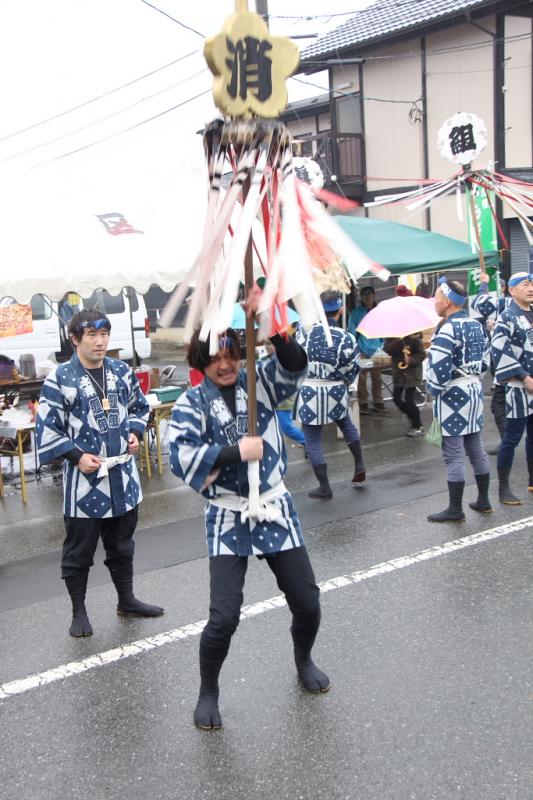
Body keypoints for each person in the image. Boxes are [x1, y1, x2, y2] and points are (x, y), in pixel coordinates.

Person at [169, 293, 329, 731]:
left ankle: (304, 660)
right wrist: (233, 451)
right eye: (216, 358)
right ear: (201, 360)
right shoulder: (190, 404)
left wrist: (272, 320)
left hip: (274, 504)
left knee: (307, 602)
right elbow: (179, 455)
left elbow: (295, 362)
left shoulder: (258, 383)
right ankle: (208, 690)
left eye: (232, 355)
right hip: (227, 513)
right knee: (224, 616)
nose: (226, 365)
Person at [35, 308, 164, 637]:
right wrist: (76, 456)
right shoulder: (60, 378)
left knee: (123, 545)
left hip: (123, 478)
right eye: (91, 335)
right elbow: (48, 429)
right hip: (85, 484)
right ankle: (79, 611)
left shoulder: (121, 371)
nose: (100, 341)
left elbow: (138, 407)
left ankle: (127, 600)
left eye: (104, 334)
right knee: (79, 552)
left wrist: (135, 432)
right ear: (74, 338)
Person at [426, 277, 491, 522]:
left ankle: (455, 509)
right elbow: (486, 361)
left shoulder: (447, 329)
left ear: (447, 301)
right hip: (474, 390)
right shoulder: (476, 325)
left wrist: (432, 389)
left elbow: (439, 374)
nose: (435, 302)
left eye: (437, 297)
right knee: (475, 447)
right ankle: (484, 500)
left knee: (453, 453)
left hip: (453, 394)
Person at [295, 290, 364, 499]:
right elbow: (353, 368)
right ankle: (359, 463)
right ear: (340, 310)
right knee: (346, 424)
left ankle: (325, 487)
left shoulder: (303, 331)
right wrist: (342, 381)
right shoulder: (347, 337)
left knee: (313, 439)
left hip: (309, 389)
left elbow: (293, 359)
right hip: (335, 388)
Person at [490, 272, 533, 504]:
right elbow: (499, 349)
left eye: (532, 284)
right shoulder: (507, 316)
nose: (530, 288)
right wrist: (524, 376)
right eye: (525, 285)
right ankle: (503, 488)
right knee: (512, 437)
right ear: (512, 290)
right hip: (518, 385)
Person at [470, 268, 510, 454]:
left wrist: (484, 283)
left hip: (509, 366)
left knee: (499, 405)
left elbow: (480, 301)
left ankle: (506, 443)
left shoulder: (506, 304)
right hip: (517, 365)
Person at [348, 286, 385, 414]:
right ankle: (363, 402)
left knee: (377, 377)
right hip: (362, 349)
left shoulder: (380, 311)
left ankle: (378, 401)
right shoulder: (356, 313)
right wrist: (355, 347)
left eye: (370, 293)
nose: (367, 296)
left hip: (379, 348)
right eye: (364, 294)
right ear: (361, 297)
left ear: (374, 295)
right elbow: (351, 331)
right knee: (362, 377)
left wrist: (384, 344)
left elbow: (385, 329)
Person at [383, 332, 426, 436]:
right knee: (396, 398)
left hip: (412, 374)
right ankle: (412, 415)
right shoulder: (392, 336)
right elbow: (388, 350)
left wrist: (410, 359)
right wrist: (396, 341)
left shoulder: (414, 337)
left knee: (409, 400)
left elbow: (422, 354)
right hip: (399, 373)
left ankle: (418, 426)